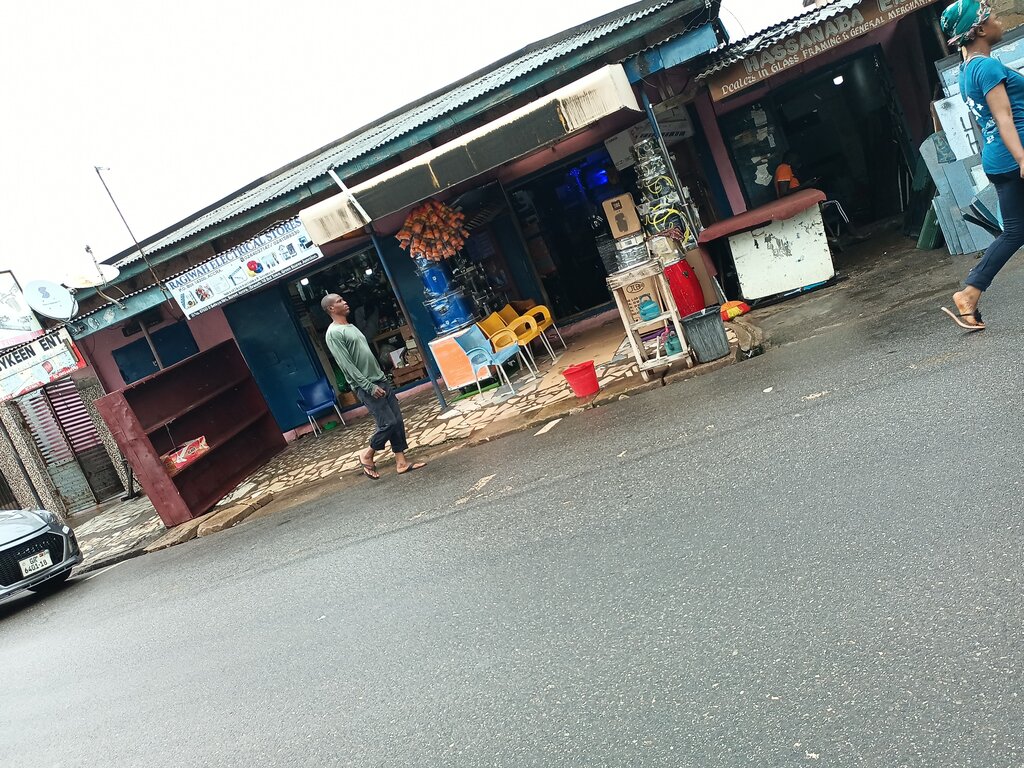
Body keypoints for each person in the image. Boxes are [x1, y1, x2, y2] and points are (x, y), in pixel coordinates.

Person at [941, 0, 1024, 331]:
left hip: (996, 156)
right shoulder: (986, 68)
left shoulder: (968, 70)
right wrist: (1021, 158)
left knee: (1016, 230)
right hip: (1013, 153)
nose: (998, 19)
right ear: (977, 29)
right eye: (991, 16)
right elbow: (1003, 116)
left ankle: (970, 294)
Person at [321, 293, 425, 479]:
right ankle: (367, 454)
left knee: (397, 421)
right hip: (367, 385)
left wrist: (381, 378)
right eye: (339, 301)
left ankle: (401, 463)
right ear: (330, 309)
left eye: (344, 299)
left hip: (379, 379)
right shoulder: (334, 334)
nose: (345, 302)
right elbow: (347, 366)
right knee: (388, 423)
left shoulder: (350, 326)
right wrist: (368, 386)